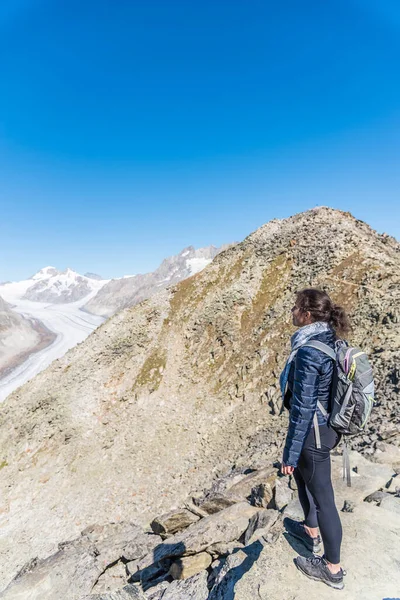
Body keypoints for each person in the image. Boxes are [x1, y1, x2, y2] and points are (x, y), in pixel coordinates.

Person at [279, 288, 350, 590]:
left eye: (295, 308)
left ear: (307, 314)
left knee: (324, 498)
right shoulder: (331, 340)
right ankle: (310, 530)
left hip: (313, 433)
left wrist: (289, 455)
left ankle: (332, 568)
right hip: (328, 428)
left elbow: (303, 408)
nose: (292, 313)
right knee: (304, 480)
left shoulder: (309, 351)